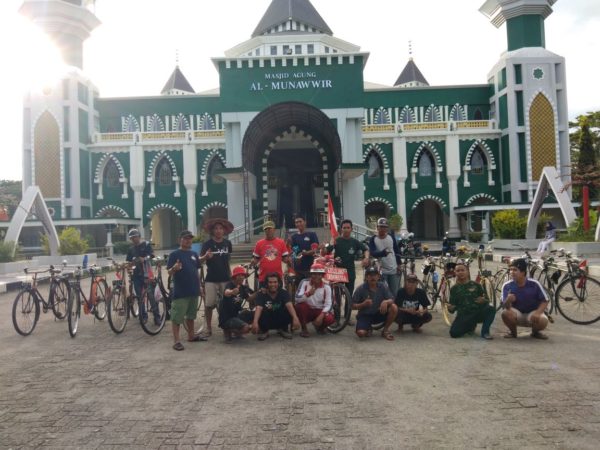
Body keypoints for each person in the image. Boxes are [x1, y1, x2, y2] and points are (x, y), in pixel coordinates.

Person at [167, 230, 208, 351]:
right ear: (180, 240)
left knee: (191, 315)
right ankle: (176, 341)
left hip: (193, 290)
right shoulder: (174, 254)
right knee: (177, 317)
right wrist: (174, 268)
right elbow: (169, 271)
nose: (188, 240)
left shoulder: (194, 254)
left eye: (190, 238)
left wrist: (200, 286)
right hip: (181, 292)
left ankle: (191, 335)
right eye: (185, 238)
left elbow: (196, 271)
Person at [200, 218, 234, 337]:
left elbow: (228, 261)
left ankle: (227, 326)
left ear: (224, 231)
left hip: (225, 278)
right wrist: (206, 257)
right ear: (212, 231)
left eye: (221, 228)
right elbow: (200, 261)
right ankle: (208, 327)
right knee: (209, 305)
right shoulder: (207, 244)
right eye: (216, 228)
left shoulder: (227, 243)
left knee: (226, 304)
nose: (218, 231)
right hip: (211, 279)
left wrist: (231, 275)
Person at [501, 258, 550, 339]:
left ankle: (535, 332)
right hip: (517, 314)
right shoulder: (507, 285)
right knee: (505, 313)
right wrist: (508, 300)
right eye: (511, 270)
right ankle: (513, 333)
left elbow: (545, 300)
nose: (512, 272)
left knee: (542, 320)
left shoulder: (534, 284)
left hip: (533, 313)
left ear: (523, 272)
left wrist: (538, 312)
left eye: (515, 270)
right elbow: (505, 306)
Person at [448, 262, 495, 339]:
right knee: (454, 333)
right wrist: (450, 308)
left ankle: (485, 332)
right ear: (455, 273)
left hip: (477, 313)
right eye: (458, 271)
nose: (460, 272)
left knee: (491, 309)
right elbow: (452, 309)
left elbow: (486, 299)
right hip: (463, 315)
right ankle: (470, 326)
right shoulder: (454, 289)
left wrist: (483, 300)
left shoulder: (476, 285)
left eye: (463, 270)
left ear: (467, 272)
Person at [352, 266, 398, 341]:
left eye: (374, 275)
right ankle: (368, 327)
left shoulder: (383, 286)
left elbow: (392, 299)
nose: (372, 277)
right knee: (361, 333)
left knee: (394, 307)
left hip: (379, 313)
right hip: (365, 315)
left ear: (378, 276)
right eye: (370, 275)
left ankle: (385, 330)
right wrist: (363, 304)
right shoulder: (361, 288)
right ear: (366, 277)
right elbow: (352, 306)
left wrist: (386, 301)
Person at [125, 228, 160, 325]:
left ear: (139, 236)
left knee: (151, 296)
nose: (133, 239)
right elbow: (128, 261)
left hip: (147, 274)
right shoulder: (131, 249)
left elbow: (152, 255)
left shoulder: (146, 245)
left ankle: (157, 317)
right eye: (132, 238)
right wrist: (128, 265)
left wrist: (144, 258)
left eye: (135, 237)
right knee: (140, 297)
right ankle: (143, 316)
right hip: (136, 276)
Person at [251, 272, 300, 340]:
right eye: (270, 282)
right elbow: (259, 308)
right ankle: (264, 331)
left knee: (291, 308)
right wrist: (255, 322)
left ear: (279, 283)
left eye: (275, 282)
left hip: (280, 319)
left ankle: (283, 329)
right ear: (266, 283)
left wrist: (295, 318)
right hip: (267, 321)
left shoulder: (284, 292)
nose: (273, 284)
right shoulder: (261, 294)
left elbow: (289, 305)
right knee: (258, 311)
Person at [327, 219, 370, 295]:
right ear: (341, 229)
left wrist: (366, 258)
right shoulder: (336, 240)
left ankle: (348, 302)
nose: (346, 230)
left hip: (350, 272)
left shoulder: (355, 242)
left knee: (349, 295)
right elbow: (327, 251)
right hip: (338, 271)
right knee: (337, 295)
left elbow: (366, 250)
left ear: (351, 229)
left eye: (348, 228)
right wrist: (331, 243)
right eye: (344, 228)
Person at [218, 265, 257, 344]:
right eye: (239, 275)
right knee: (246, 328)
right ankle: (228, 331)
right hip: (227, 318)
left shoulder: (242, 287)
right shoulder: (229, 284)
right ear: (235, 277)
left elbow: (249, 299)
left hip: (236, 315)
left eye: (243, 275)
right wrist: (232, 292)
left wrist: (259, 292)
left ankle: (236, 332)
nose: (242, 277)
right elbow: (226, 292)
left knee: (254, 315)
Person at [294, 263, 335, 337]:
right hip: (307, 310)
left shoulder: (326, 286)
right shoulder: (304, 282)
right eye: (314, 274)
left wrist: (321, 315)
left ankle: (320, 328)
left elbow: (328, 304)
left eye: (319, 274)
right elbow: (297, 299)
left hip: (319, 310)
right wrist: (308, 294)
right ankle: (304, 328)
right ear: (310, 274)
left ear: (322, 275)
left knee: (330, 318)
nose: (316, 276)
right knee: (299, 307)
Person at [367, 217, 401, 296]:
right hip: (381, 270)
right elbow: (373, 252)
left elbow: (396, 251)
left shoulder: (391, 237)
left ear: (387, 228)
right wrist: (383, 253)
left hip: (393, 268)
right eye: (381, 226)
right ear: (377, 227)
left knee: (394, 292)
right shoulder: (373, 239)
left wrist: (399, 264)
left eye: (385, 227)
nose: (383, 229)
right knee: (382, 292)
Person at [252, 221, 290, 286]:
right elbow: (256, 259)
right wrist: (253, 262)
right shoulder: (259, 243)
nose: (268, 230)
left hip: (277, 278)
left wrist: (289, 260)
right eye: (266, 229)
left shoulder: (281, 242)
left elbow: (285, 259)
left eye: (270, 228)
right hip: (263, 278)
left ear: (274, 230)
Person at [290, 215, 319, 280]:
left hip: (311, 268)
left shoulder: (312, 234)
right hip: (298, 269)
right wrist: (295, 257)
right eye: (296, 222)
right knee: (299, 285)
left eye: (300, 221)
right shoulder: (294, 237)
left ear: (305, 222)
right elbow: (295, 251)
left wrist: (306, 253)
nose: (298, 224)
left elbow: (316, 249)